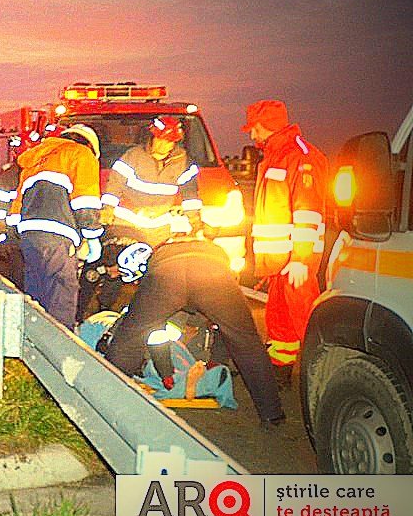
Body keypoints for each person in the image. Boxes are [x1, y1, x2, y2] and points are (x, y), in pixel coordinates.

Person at [103, 238, 285, 426]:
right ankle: (272, 413)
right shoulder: (209, 252)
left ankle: (104, 398)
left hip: (167, 274)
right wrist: (216, 361)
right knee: (246, 341)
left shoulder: (155, 264)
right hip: (213, 272)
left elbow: (152, 334)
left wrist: (165, 371)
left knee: (129, 340)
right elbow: (226, 331)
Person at [241, 100, 329, 373]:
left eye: (254, 129)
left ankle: (326, 373)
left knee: (305, 319)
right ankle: (280, 370)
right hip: (281, 260)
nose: (252, 136)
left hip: (295, 261)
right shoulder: (275, 155)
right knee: (280, 321)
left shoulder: (300, 156)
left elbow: (308, 211)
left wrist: (301, 259)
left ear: (265, 126)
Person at [7, 124, 103, 325]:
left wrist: (19, 234)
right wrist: (92, 237)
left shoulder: (37, 160)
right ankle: (61, 350)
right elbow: (85, 202)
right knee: (62, 292)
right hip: (58, 236)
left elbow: (17, 206)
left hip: (29, 236)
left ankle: (33, 340)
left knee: (36, 292)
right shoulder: (81, 154)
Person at [101, 115, 203, 246]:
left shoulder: (183, 164)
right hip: (127, 225)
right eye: (159, 139)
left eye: (168, 141)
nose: (162, 144)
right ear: (152, 137)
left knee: (158, 261)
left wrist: (195, 222)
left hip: (160, 227)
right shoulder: (132, 157)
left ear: (174, 143)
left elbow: (190, 196)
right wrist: (107, 209)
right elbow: (114, 185)